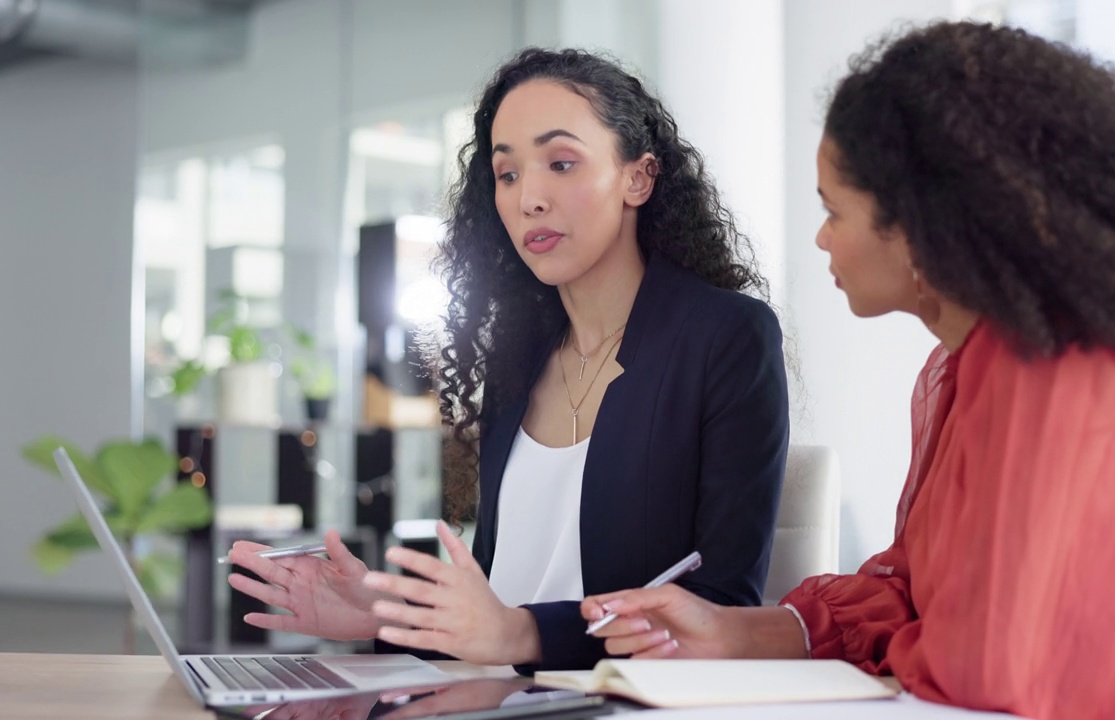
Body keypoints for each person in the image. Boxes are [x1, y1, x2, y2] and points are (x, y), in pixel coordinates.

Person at [580, 21, 1115, 720]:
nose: (822, 237)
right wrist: (740, 631)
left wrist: (871, 658)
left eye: (834, 211)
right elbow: (915, 597)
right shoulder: (957, 371)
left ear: (918, 229)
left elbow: (1000, 673)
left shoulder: (1074, 367)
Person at [226, 47, 789, 673]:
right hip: (495, 699)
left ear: (639, 176)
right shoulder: (519, 361)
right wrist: (385, 614)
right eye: (509, 174)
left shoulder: (726, 336)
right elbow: (498, 611)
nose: (530, 200)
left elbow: (721, 609)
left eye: (562, 162)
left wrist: (521, 636)